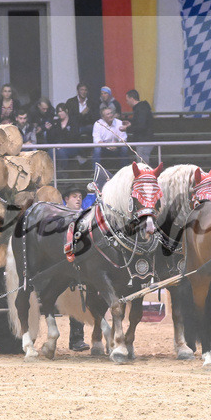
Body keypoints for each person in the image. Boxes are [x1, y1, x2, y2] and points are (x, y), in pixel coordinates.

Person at [62, 186, 89, 352]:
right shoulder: (60, 216)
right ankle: (76, 339)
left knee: (80, 299)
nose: (78, 199)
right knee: (77, 298)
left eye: (80, 197)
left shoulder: (85, 217)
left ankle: (78, 339)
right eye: (74, 196)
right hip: (62, 263)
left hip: (80, 263)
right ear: (66, 199)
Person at [92, 106, 128, 171]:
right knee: (97, 149)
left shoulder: (119, 122)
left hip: (117, 147)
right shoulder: (98, 124)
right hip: (104, 148)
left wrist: (116, 145)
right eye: (108, 114)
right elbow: (97, 140)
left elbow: (123, 139)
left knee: (124, 148)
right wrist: (108, 146)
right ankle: (96, 172)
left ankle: (124, 171)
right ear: (103, 117)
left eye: (111, 113)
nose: (111, 115)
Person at [124, 89, 154, 164]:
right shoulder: (142, 108)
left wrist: (127, 128)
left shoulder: (140, 109)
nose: (126, 102)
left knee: (143, 164)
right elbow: (141, 123)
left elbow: (141, 126)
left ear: (131, 98)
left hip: (143, 140)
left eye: (127, 100)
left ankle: (146, 176)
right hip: (145, 140)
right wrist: (131, 124)